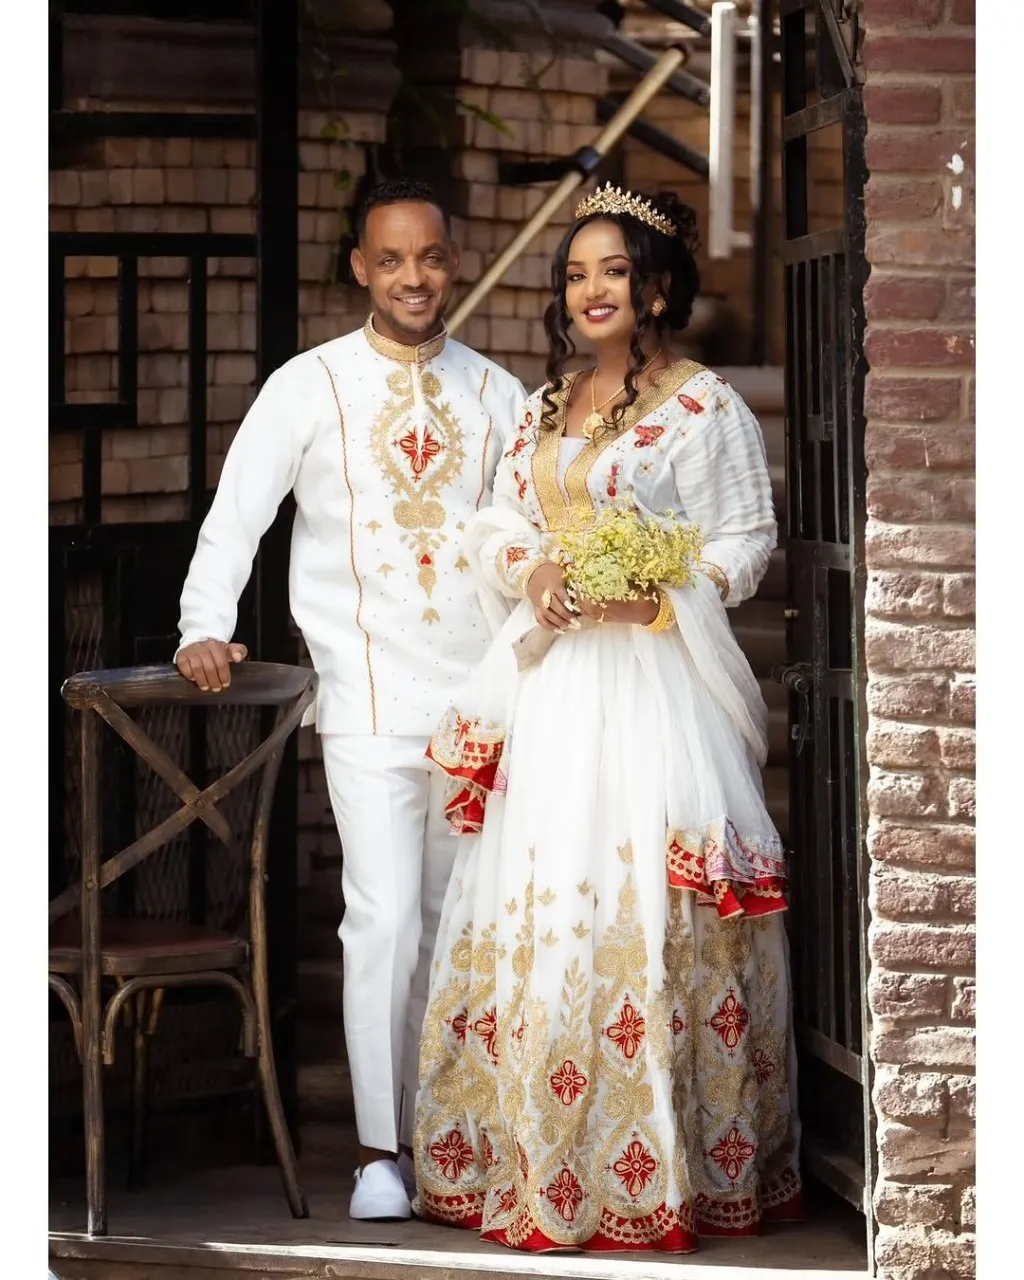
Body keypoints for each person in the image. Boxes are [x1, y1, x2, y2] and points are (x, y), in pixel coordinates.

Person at [413, 183, 802, 1254]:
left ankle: (659, 1168)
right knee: (538, 906)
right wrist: (528, 565)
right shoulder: (544, 408)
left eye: (613, 270)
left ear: (657, 284)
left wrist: (653, 594)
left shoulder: (702, 404)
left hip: (648, 694)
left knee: (640, 903)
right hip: (549, 695)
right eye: (576, 272)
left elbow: (743, 542)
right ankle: (539, 1159)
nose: (590, 289)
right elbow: (493, 518)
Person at [173, 177, 526, 1222]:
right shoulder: (308, 386)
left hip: (479, 702)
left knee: (457, 921)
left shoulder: (497, 393)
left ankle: (456, 1139)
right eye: (392, 259)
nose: (414, 275)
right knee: (379, 921)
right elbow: (237, 515)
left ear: (451, 262)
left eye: (432, 256)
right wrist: (203, 621)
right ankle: (383, 1148)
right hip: (366, 694)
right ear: (360, 269)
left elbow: (523, 536)